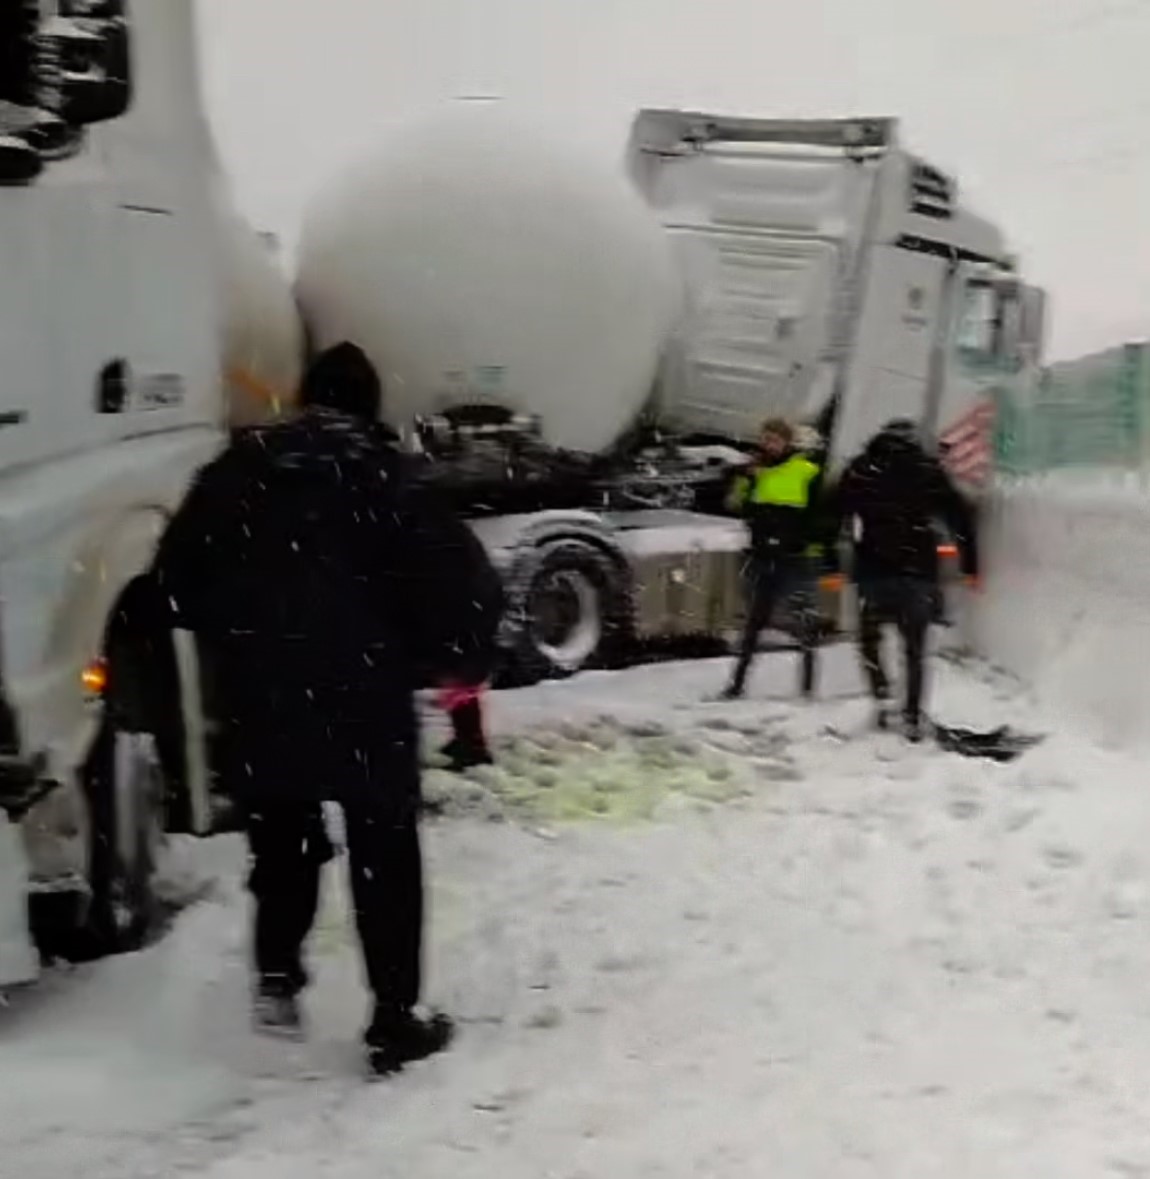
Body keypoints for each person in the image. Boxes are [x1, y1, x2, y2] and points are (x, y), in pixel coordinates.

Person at [151, 342, 503, 1075]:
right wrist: (454, 658)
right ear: (368, 405)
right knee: (384, 854)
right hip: (365, 697)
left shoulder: (238, 470)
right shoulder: (388, 476)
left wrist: (240, 632)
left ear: (305, 397)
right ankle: (394, 1019)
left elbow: (175, 582)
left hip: (263, 692)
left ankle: (277, 977)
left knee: (282, 837)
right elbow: (459, 583)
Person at [826, 418, 979, 741]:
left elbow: (832, 516)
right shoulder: (926, 470)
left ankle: (881, 694)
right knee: (914, 649)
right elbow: (959, 517)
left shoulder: (861, 468)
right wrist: (970, 565)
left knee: (869, 640)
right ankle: (911, 715)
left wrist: (834, 563)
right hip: (918, 571)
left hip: (873, 571)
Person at [721, 417, 825, 700]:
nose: (768, 444)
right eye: (764, 438)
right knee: (753, 623)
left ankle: (807, 688)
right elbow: (734, 506)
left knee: (803, 623)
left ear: (787, 442)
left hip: (796, 559)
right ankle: (736, 686)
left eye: (774, 439)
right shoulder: (756, 471)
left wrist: (805, 544)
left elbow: (821, 516)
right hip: (764, 555)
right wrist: (744, 478)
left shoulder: (806, 471)